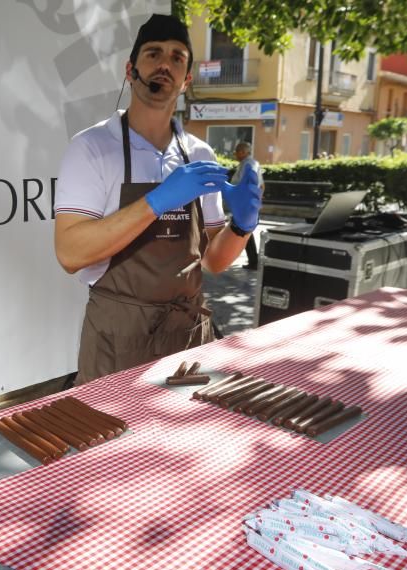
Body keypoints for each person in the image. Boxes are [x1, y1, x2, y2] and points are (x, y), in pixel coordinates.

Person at [54, 14, 261, 384]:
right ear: (130, 69)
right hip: (118, 336)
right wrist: (157, 202)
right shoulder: (92, 149)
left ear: (186, 81)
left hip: (188, 338)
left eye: (177, 57)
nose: (165, 64)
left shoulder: (200, 155)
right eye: (153, 54)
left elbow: (214, 261)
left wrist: (242, 226)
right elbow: (70, 253)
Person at [232, 141, 265, 269]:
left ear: (243, 152)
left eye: (237, 152)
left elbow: (242, 185)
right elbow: (262, 185)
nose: (235, 155)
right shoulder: (252, 163)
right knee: (245, 232)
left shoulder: (247, 165)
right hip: (249, 203)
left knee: (243, 232)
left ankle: (253, 261)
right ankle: (253, 260)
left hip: (244, 204)